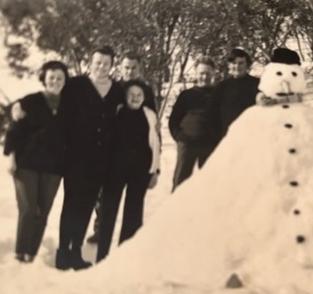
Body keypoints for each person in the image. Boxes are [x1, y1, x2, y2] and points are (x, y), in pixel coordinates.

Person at [55, 46, 125, 270]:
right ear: (90, 62)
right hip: (75, 158)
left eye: (106, 63)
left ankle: (76, 252)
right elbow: (62, 119)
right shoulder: (75, 85)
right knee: (71, 204)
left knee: (86, 206)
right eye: (97, 62)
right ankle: (62, 252)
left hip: (100, 160)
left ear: (112, 65)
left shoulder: (116, 90)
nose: (101, 67)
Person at [86, 51, 158, 244]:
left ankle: (130, 241)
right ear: (120, 68)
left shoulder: (146, 91)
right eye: (126, 67)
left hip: (138, 156)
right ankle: (100, 231)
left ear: (140, 69)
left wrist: (155, 166)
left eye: (134, 67)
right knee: (105, 200)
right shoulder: (115, 88)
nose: (130, 71)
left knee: (134, 204)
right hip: (113, 154)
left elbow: (153, 126)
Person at [3, 61, 69, 263]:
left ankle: (31, 254)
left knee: (44, 210)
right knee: (28, 209)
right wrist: (11, 158)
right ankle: (19, 253)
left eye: (59, 78)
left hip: (54, 167)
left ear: (65, 81)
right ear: (44, 79)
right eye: (51, 77)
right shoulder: (31, 101)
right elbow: (13, 128)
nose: (55, 81)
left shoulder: (70, 105)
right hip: (27, 164)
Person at [96, 80, 160, 262]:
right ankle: (102, 256)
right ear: (125, 96)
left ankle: (125, 258)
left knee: (133, 213)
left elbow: (155, 144)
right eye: (131, 94)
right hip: (114, 171)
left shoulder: (149, 115)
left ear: (144, 97)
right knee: (108, 212)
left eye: (139, 95)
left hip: (140, 171)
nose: (135, 98)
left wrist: (155, 170)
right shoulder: (116, 112)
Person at [168, 57, 219, 191]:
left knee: (210, 186)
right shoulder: (186, 95)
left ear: (214, 73)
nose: (204, 76)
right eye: (201, 73)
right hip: (187, 145)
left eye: (208, 73)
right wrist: (180, 138)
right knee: (180, 184)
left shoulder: (219, 94)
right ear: (196, 74)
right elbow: (173, 120)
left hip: (210, 146)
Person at [208, 48, 259, 143]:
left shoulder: (258, 84)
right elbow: (212, 114)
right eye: (234, 63)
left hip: (252, 138)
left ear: (247, 64)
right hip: (227, 139)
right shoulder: (221, 87)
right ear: (229, 65)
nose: (237, 66)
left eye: (241, 63)